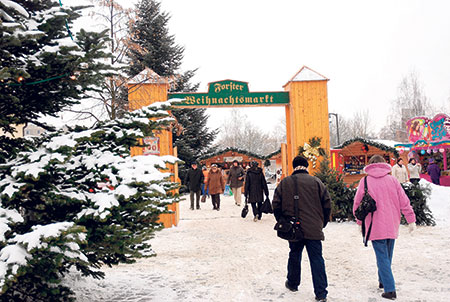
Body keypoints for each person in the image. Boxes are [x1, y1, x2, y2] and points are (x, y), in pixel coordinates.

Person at [353, 155, 416, 300]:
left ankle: (390, 289)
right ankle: (383, 281)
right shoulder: (393, 180)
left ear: (370, 165)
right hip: (392, 223)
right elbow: (404, 201)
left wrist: (359, 221)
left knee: (382, 256)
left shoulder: (365, 181)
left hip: (374, 224)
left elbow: (357, 204)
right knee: (387, 255)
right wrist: (411, 219)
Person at [272, 156, 331, 302]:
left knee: (294, 254)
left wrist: (282, 221)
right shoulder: (316, 182)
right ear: (306, 166)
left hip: (293, 227)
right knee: (317, 259)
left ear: (294, 167)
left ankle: (292, 283)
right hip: (314, 228)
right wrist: (321, 223)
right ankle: (321, 292)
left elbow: (276, 204)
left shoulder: (285, 183)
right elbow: (327, 204)